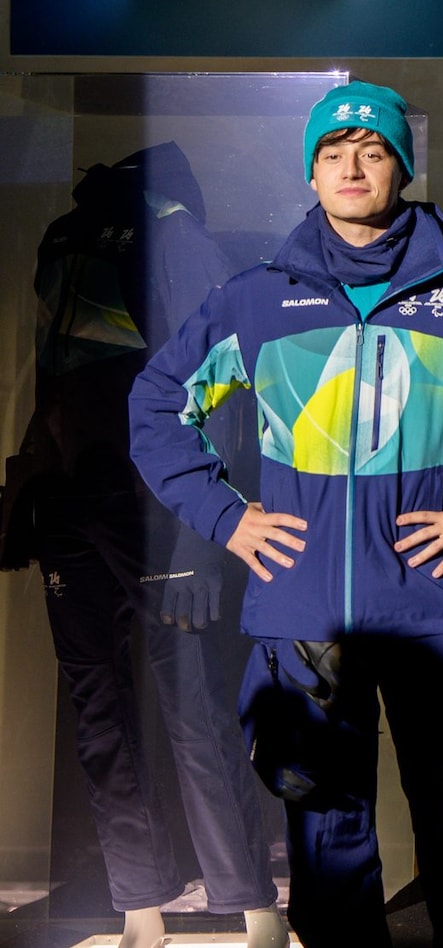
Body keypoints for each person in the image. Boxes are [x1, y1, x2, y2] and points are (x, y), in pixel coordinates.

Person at [128, 81, 443, 948]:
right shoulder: (257, 297)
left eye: (372, 150)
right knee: (330, 856)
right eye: (333, 152)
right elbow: (157, 404)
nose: (352, 166)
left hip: (429, 608)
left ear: (402, 168)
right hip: (302, 612)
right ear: (311, 174)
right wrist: (226, 517)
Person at [10, 145, 285, 948]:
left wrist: (206, 525)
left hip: (129, 500)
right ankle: (180, 903)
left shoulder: (113, 236)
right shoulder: (125, 236)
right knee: (169, 703)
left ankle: (218, 902)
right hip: (116, 501)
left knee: (156, 704)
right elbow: (213, 390)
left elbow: (212, 384)